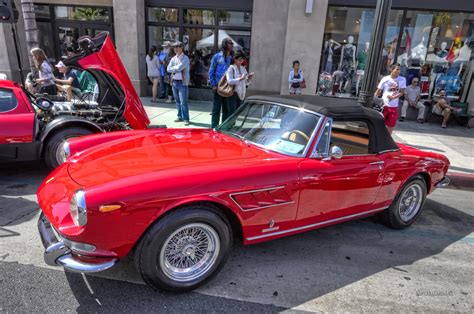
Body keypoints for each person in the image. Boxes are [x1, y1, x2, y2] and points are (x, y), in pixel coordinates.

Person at [375, 63, 406, 134]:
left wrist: (394, 97)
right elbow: (378, 91)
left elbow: (402, 92)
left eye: (399, 69)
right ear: (391, 69)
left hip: (394, 106)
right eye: (397, 69)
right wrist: (375, 101)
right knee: (380, 123)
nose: (398, 71)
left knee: (391, 125)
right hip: (384, 105)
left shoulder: (402, 79)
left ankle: (387, 139)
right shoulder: (385, 79)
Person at [209, 38, 233, 128]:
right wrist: (213, 84)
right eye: (230, 43)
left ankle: (223, 128)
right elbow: (211, 70)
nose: (231, 45)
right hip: (218, 87)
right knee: (216, 109)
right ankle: (214, 127)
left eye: (232, 43)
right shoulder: (217, 56)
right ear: (225, 44)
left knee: (226, 110)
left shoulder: (232, 57)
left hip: (228, 87)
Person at [167, 41, 190, 125]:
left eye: (177, 47)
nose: (176, 49)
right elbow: (168, 69)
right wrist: (175, 68)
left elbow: (180, 68)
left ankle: (186, 118)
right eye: (174, 47)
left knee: (183, 102)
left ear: (182, 48)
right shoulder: (173, 58)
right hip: (174, 82)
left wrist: (174, 68)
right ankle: (179, 116)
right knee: (177, 101)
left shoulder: (185, 58)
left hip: (182, 82)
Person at [226, 51, 253, 117]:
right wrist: (240, 79)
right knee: (232, 112)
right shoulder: (231, 68)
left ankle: (233, 125)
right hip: (233, 92)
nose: (241, 61)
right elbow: (229, 81)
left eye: (242, 60)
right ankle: (229, 126)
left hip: (241, 93)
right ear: (235, 59)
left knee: (237, 112)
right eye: (240, 60)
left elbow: (246, 83)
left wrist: (249, 78)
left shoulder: (243, 68)